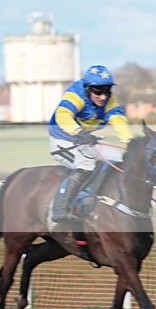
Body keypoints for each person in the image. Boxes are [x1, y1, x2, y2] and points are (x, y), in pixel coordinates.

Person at [48, 64, 133, 222]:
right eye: (98, 92)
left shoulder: (109, 100)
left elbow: (117, 119)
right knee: (86, 166)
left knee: (120, 159)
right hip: (63, 140)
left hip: (84, 141)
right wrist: (78, 132)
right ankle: (60, 208)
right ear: (87, 89)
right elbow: (64, 115)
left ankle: (100, 199)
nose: (103, 97)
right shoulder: (75, 95)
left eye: (107, 91)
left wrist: (129, 140)